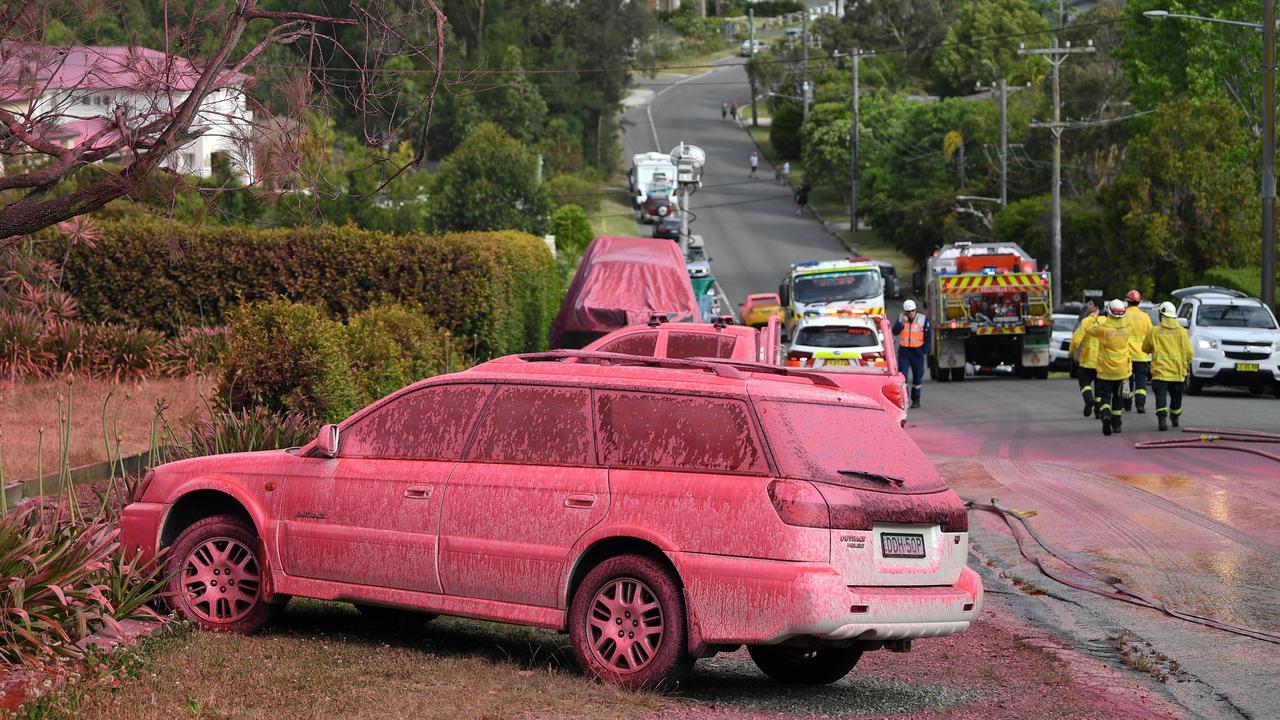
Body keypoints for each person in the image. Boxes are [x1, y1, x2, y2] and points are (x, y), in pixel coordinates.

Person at [1143, 301, 1193, 431]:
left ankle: (1162, 419)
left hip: (1160, 372)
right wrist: (1186, 364)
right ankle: (1175, 416)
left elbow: (1145, 348)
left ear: (1162, 315)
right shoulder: (1182, 332)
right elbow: (1189, 352)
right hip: (1177, 373)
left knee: (1160, 396)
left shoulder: (1154, 331)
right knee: (1176, 397)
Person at [1087, 299, 1133, 436]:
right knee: (1117, 399)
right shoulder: (1127, 329)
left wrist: (1097, 320)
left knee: (1105, 398)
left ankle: (1106, 416)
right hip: (1121, 371)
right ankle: (1117, 424)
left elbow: (1089, 331)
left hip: (1105, 371)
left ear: (1109, 312)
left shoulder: (1103, 329)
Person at [893, 299, 931, 409]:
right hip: (905, 352)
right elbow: (894, 331)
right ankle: (904, 400)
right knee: (903, 377)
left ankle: (916, 399)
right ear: (904, 312)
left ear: (915, 310)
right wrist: (901, 323)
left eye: (912, 311)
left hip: (917, 352)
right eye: (908, 312)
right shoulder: (901, 318)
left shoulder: (923, 320)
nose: (910, 313)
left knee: (917, 377)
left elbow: (928, 336)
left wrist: (924, 350)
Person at [1069, 300, 1101, 418]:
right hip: (1102, 362)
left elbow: (1075, 340)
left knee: (1084, 382)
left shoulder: (1086, 322)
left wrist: (1071, 353)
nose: (1087, 306)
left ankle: (1088, 399)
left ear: (1096, 307)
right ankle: (1098, 411)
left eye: (1090, 304)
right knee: (1099, 387)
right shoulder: (1106, 322)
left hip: (1087, 360)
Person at [1123, 289, 1153, 413]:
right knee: (1141, 383)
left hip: (1126, 356)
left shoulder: (1123, 315)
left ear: (1127, 302)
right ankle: (1140, 405)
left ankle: (1127, 405)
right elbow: (1150, 336)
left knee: (1126, 381)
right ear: (1139, 303)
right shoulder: (1145, 317)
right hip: (1142, 356)